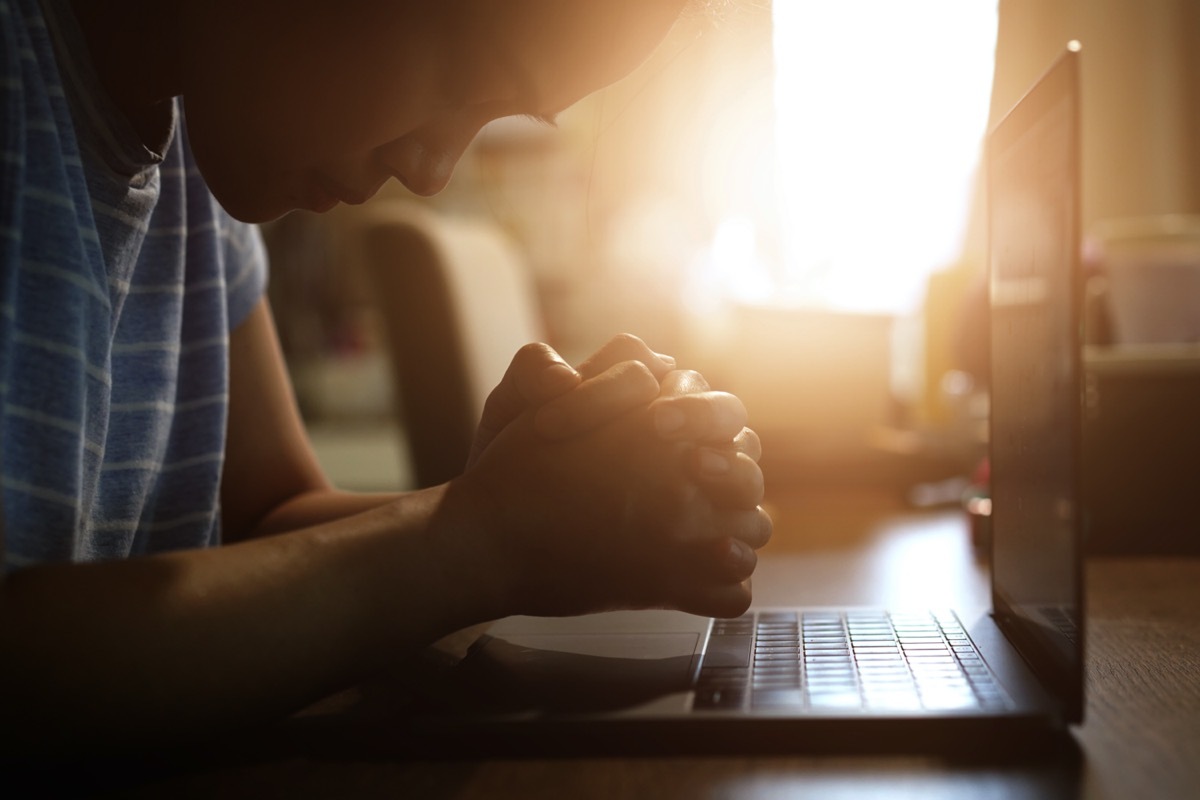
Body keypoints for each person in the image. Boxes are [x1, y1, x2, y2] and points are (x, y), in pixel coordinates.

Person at [0, 0, 771, 756]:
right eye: (465, 71)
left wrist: (537, 513)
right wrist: (480, 541)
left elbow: (268, 517)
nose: (432, 173)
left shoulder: (196, 168)